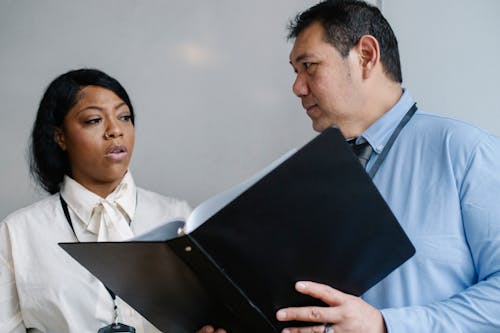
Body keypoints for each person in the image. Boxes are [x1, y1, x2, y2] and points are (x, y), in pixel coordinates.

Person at [275, 1, 500, 332]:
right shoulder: (304, 174)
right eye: (296, 72)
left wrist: (385, 326)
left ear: (366, 55)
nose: (297, 88)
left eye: (309, 66)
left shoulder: (465, 151)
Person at [0, 69, 194, 332]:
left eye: (124, 117)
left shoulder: (178, 217)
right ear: (60, 137)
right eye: (94, 120)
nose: (115, 130)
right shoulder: (18, 233)